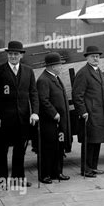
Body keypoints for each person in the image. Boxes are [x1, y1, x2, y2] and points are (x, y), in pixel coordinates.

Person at [0, 41, 39, 186]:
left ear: (21, 55)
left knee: (20, 150)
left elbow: (33, 93)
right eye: (10, 54)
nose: (13, 56)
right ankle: (1, 179)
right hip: (4, 119)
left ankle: (18, 179)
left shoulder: (28, 71)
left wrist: (35, 112)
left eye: (16, 54)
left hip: (22, 118)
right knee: (2, 150)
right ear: (7, 55)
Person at [72, 46, 104, 178]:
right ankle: (85, 169)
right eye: (93, 56)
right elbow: (77, 95)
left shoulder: (98, 71)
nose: (95, 58)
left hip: (99, 113)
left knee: (96, 140)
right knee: (89, 142)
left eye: (97, 56)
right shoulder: (83, 73)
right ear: (87, 57)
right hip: (89, 114)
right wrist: (83, 111)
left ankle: (93, 167)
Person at [36, 52, 72, 184]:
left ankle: (57, 172)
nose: (61, 66)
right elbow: (43, 100)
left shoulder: (55, 77)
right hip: (49, 122)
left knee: (58, 146)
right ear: (52, 66)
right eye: (59, 64)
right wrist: (54, 113)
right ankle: (44, 175)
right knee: (48, 148)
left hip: (58, 121)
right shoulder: (43, 80)